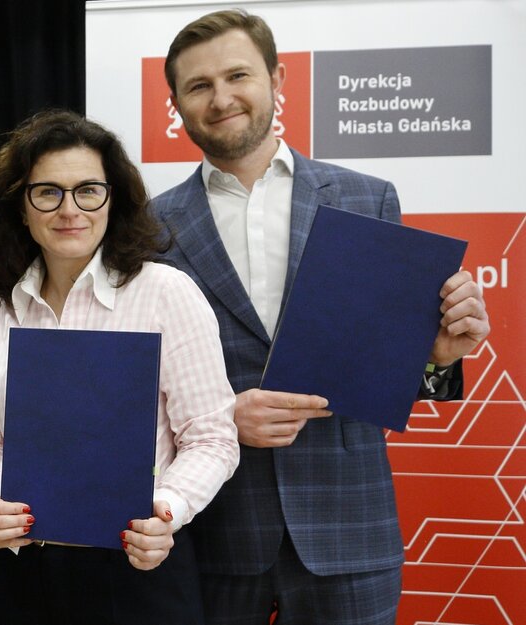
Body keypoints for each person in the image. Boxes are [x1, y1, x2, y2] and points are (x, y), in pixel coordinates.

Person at [153, 10, 491, 623]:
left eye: (238, 75)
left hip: (349, 532)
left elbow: (383, 371)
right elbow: (137, 388)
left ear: (278, 79)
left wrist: (437, 356)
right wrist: (225, 417)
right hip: (212, 536)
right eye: (199, 86)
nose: (221, 98)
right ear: (174, 102)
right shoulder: (145, 229)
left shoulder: (368, 198)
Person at [0, 109, 240, 624]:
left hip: (136, 567)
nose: (69, 209)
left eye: (88, 190)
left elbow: (212, 437)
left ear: (114, 199)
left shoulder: (165, 293)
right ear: (21, 208)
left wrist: (166, 511)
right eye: (47, 192)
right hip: (22, 571)